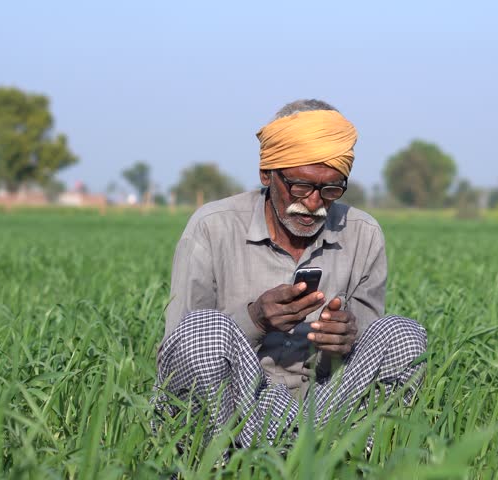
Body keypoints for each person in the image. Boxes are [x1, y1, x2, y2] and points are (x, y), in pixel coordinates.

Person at [152, 99, 427, 446]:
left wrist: (343, 342)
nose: (313, 203)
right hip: (238, 408)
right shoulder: (212, 227)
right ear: (267, 174)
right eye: (300, 186)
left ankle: (353, 463)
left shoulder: (363, 233)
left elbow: (367, 357)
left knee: (402, 334)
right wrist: (255, 319)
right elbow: (178, 351)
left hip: (325, 410)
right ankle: (211, 463)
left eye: (330, 189)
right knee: (202, 329)